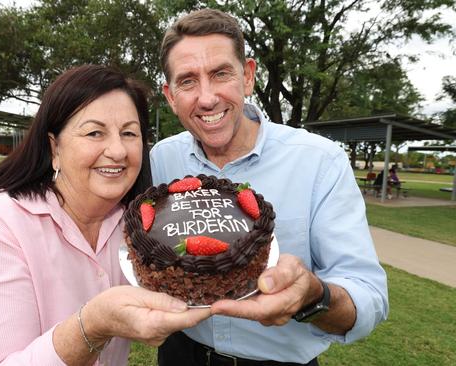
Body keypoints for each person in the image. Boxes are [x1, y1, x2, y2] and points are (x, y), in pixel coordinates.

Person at [151, 9, 389, 365]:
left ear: (247, 76)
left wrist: (312, 296)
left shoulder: (320, 161)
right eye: (187, 81)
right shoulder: (161, 159)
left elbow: (368, 296)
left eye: (220, 74)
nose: (206, 98)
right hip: (180, 355)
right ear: (170, 96)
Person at [0, 65, 211, 366]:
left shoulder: (137, 228)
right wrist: (92, 325)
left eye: (129, 133)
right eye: (94, 132)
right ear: (55, 148)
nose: (117, 151)